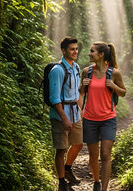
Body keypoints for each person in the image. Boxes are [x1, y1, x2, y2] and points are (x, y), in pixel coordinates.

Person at [80, 42, 127, 191]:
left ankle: (104, 189)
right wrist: (83, 86)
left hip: (108, 118)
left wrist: (113, 86)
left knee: (105, 154)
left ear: (101, 54)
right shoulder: (86, 72)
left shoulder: (114, 73)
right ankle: (96, 182)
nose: (89, 54)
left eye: (92, 51)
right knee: (93, 156)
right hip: (90, 119)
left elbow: (123, 92)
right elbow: (81, 93)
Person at [49, 36, 83, 191]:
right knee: (61, 149)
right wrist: (64, 119)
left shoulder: (76, 67)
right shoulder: (57, 70)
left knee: (78, 144)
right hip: (61, 116)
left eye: (76, 49)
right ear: (63, 51)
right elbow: (54, 98)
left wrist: (82, 112)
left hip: (75, 114)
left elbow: (76, 94)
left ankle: (68, 169)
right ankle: (61, 181)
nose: (75, 51)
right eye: (72, 49)